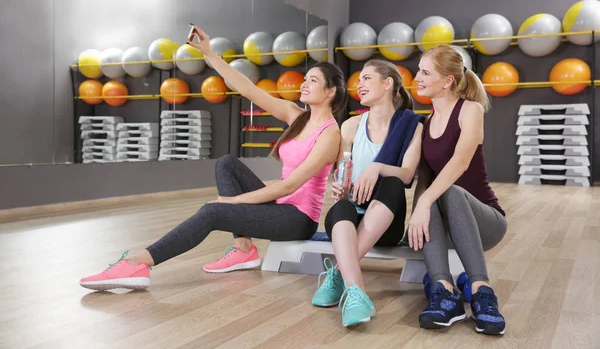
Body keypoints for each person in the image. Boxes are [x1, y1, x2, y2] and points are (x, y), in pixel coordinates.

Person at [79, 25, 348, 290]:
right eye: (305, 79)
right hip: (280, 204)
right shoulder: (296, 116)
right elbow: (247, 89)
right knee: (226, 163)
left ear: (331, 91)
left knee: (213, 212)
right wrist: (209, 53)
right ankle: (244, 248)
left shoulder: (329, 135)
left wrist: (232, 202)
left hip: (298, 219)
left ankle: (139, 264)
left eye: (313, 81)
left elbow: (289, 186)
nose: (304, 84)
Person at [311, 59, 424, 327]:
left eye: (366, 78)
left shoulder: (412, 125)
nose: (359, 85)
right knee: (340, 207)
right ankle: (356, 292)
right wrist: (339, 187)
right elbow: (341, 174)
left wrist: (376, 167)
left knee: (392, 182)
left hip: (386, 221)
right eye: (358, 80)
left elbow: (407, 174)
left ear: (388, 83)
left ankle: (337, 274)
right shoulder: (350, 127)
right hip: (351, 214)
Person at [407, 45, 508, 335]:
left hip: (485, 221)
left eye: (426, 72)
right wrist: (418, 211)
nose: (418, 78)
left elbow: (461, 164)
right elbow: (423, 181)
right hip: (448, 226)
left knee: (447, 192)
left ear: (448, 80)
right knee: (431, 198)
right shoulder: (426, 123)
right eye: (419, 71)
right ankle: (443, 292)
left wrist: (426, 201)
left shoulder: (470, 110)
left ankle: (482, 292)